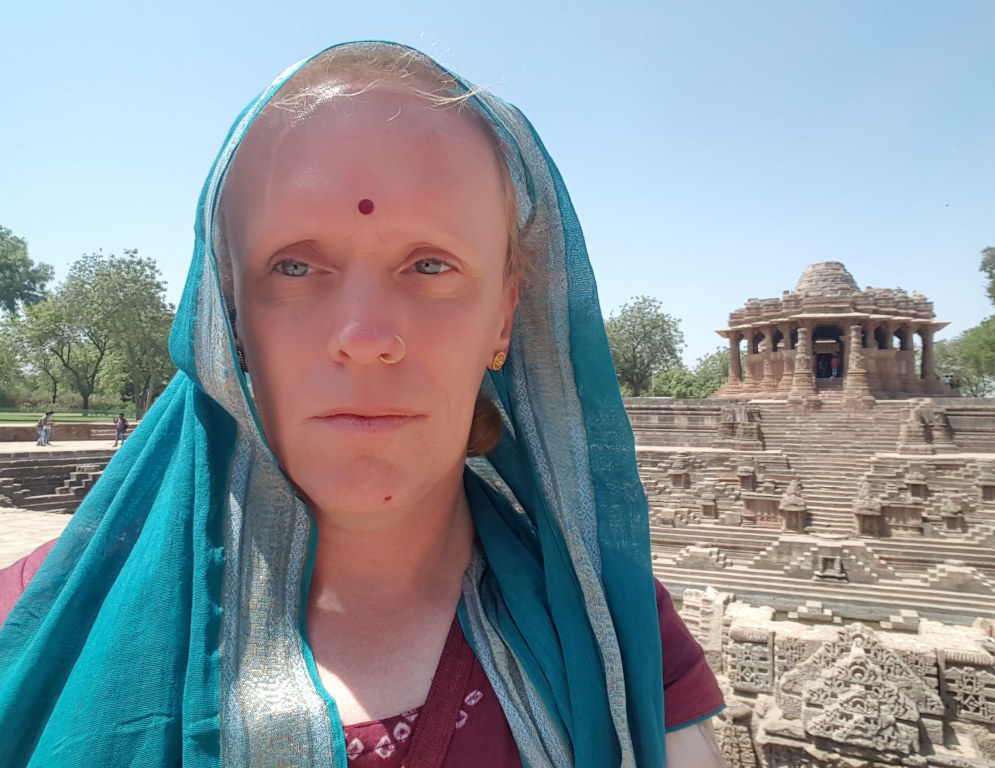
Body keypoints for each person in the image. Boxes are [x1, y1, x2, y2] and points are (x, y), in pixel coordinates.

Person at [0, 43, 725, 766]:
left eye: (431, 265)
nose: (366, 338)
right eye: (294, 266)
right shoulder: (32, 624)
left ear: (503, 318)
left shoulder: (616, 639)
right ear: (230, 318)